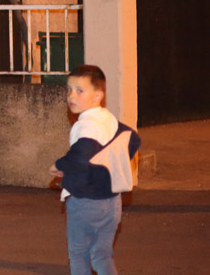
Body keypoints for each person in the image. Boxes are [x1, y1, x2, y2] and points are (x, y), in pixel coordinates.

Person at [49, 65, 141, 275]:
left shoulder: (87, 124)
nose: (72, 96)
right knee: (101, 255)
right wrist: (110, 166)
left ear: (98, 95)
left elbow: (81, 156)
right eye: (69, 90)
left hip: (85, 202)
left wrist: (59, 165)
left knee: (79, 255)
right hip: (111, 202)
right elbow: (133, 139)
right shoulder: (106, 117)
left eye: (80, 91)